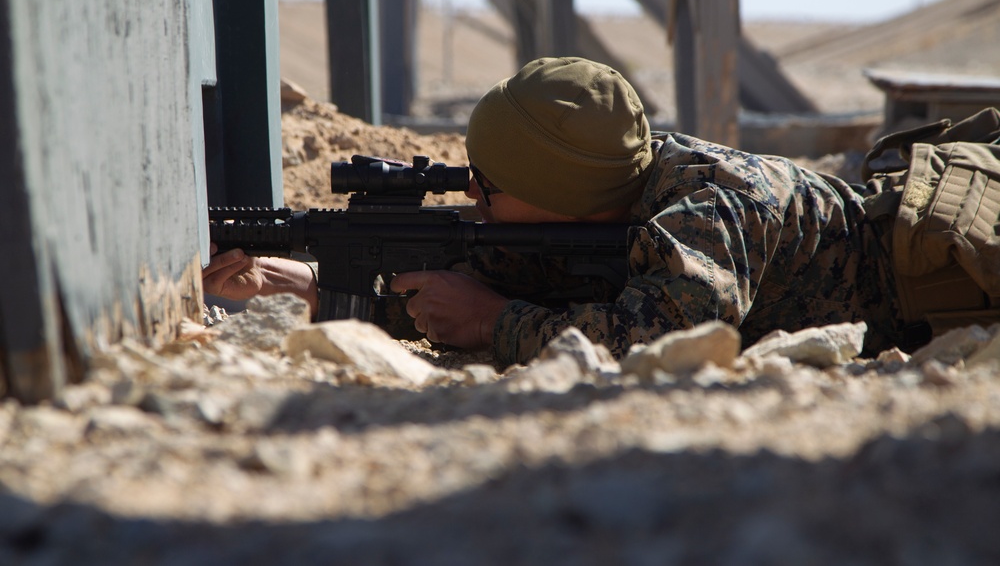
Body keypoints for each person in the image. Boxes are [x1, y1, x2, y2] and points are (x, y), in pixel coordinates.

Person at [204, 56, 1000, 368]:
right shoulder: (609, 194)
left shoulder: (711, 209)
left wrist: (494, 322)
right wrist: (316, 290)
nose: (471, 197)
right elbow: (539, 284)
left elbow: (653, 344)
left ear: (562, 193)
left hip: (934, 284)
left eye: (487, 186)